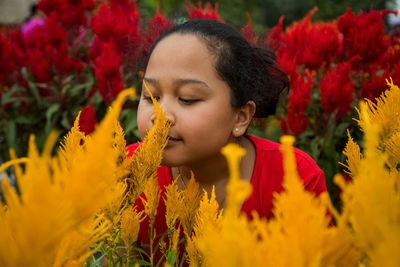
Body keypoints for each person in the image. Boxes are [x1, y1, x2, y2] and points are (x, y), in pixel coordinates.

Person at [126, 18, 327, 263]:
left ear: (240, 117)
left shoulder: (292, 178)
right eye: (151, 96)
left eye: (187, 99)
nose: (161, 116)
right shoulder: (128, 171)